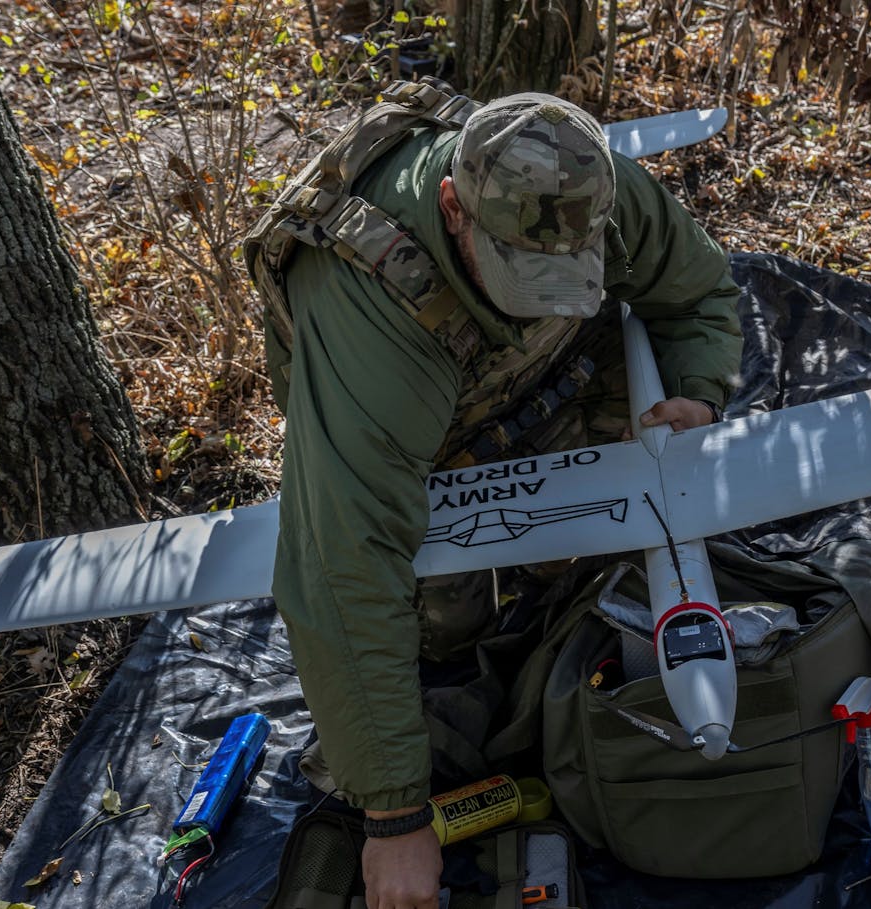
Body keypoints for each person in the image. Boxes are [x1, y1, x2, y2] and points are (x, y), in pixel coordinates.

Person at [245, 85, 742, 909]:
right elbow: (342, 565)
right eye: (526, 270)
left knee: (586, 564)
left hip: (542, 371)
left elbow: (695, 289)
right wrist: (395, 813)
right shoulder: (370, 316)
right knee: (442, 632)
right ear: (453, 207)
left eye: (567, 269)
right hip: (420, 421)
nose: (551, 283)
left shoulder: (590, 185)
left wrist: (697, 390)